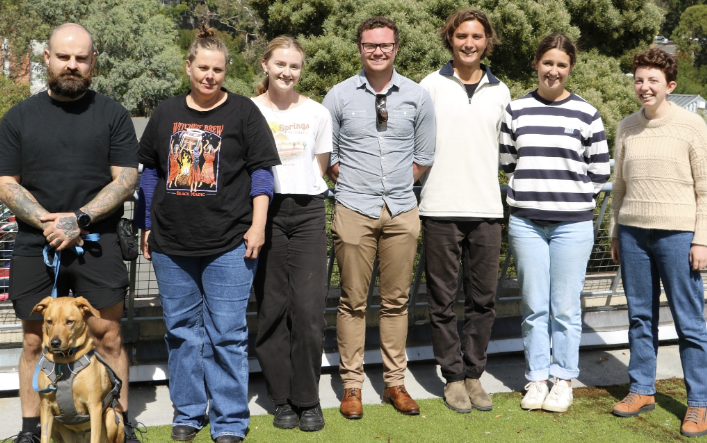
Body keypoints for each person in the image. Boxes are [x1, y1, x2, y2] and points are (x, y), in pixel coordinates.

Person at [135, 26, 280, 443]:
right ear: (189, 67)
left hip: (230, 244)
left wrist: (258, 225)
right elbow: (150, 174)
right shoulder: (164, 113)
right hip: (171, 244)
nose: (210, 76)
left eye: (217, 69)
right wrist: (146, 224)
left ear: (224, 71)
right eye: (203, 68)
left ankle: (230, 421)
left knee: (227, 335)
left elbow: (261, 174)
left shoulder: (243, 113)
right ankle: (188, 412)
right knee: (181, 332)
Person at [0, 23, 141, 443]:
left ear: (93, 62)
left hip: (97, 243)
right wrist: (49, 222)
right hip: (33, 242)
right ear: (47, 58)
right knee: (32, 341)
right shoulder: (18, 118)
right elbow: (6, 182)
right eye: (64, 57)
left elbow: (126, 179)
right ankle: (29, 429)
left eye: (81, 58)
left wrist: (78, 220)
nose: (72, 65)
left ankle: (119, 423)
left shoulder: (112, 114)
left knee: (109, 335)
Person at [323, 16, 436, 419]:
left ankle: (394, 383)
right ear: (360, 48)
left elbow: (424, 156)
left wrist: (393, 189)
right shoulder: (337, 97)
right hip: (353, 208)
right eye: (370, 45)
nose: (377, 51)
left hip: (402, 211)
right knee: (352, 301)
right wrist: (357, 184)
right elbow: (328, 157)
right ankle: (351, 386)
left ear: (396, 48)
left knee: (397, 302)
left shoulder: (417, 96)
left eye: (384, 45)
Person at [500, 33, 610, 413]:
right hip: (527, 223)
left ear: (570, 68)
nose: (554, 70)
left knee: (565, 307)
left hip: (572, 225)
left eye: (561, 64)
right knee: (533, 306)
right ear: (536, 63)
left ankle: (563, 380)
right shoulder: (515, 110)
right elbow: (508, 163)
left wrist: (569, 198)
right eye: (548, 62)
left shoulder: (587, 113)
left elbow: (599, 172)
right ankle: (536, 379)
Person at [609, 48, 707, 437]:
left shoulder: (692, 125)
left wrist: (701, 240)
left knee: (690, 323)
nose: (644, 86)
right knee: (639, 318)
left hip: (679, 235)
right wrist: (616, 231)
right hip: (633, 234)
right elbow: (618, 188)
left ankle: (699, 403)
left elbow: (705, 189)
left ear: (670, 86)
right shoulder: (626, 127)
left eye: (653, 80)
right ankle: (642, 389)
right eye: (639, 79)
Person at [418, 8, 510, 414]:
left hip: (487, 209)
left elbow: (508, 152)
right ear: (450, 40)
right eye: (461, 37)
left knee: (483, 300)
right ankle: (453, 377)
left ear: (487, 40)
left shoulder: (501, 91)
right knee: (441, 301)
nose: (469, 43)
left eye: (476, 36)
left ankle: (474, 374)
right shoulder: (429, 86)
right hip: (438, 208)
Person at [251, 36, 332, 432]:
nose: (287, 72)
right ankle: (280, 398)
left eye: (294, 66)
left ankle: (307, 399)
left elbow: (319, 166)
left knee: (309, 311)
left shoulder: (317, 113)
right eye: (280, 64)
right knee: (271, 309)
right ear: (265, 65)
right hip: (264, 213)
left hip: (307, 213)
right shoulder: (247, 111)